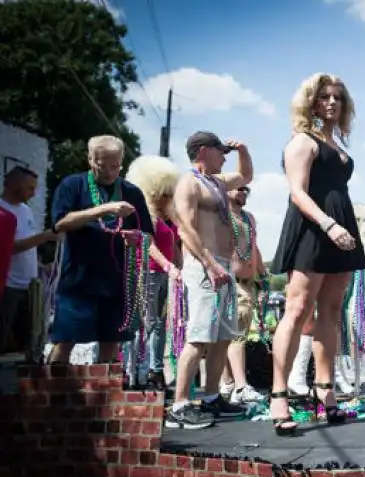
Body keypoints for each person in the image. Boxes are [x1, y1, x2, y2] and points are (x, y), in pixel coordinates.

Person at [270, 73, 365, 436]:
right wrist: (329, 225)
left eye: (337, 98)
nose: (331, 103)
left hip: (341, 227)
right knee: (296, 310)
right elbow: (298, 192)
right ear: (311, 102)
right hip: (315, 228)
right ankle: (278, 394)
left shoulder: (336, 142)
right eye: (324, 97)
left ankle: (325, 392)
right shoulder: (302, 141)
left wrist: (342, 226)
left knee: (331, 311)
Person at [166, 131, 253, 430]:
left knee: (223, 337)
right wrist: (209, 263)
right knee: (199, 336)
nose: (224, 156)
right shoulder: (188, 183)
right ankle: (179, 404)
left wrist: (242, 148)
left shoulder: (217, 182)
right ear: (203, 151)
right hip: (203, 266)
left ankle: (212, 396)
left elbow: (245, 175)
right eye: (220, 151)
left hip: (223, 266)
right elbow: (185, 230)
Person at [48, 136, 154, 365]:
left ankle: (105, 395)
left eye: (114, 166)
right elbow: (60, 224)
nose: (108, 172)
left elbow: (147, 235)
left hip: (116, 282)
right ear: (90, 159)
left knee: (111, 342)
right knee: (65, 340)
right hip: (78, 279)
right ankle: (52, 392)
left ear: (121, 162)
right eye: (101, 165)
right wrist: (102, 209)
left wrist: (136, 239)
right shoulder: (73, 185)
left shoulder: (131, 192)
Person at [122, 155, 182, 389]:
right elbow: (148, 245)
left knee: (159, 325)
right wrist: (168, 266)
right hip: (145, 273)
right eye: (164, 191)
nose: (167, 196)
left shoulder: (168, 219)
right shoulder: (143, 215)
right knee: (144, 324)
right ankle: (135, 370)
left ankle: (155, 370)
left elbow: (177, 245)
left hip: (165, 275)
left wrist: (179, 270)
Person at [0, 167, 58, 354]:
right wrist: (47, 235)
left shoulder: (25, 210)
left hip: (29, 287)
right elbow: (11, 247)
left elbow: (27, 246)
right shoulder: (2, 212)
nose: (33, 193)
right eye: (30, 188)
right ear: (15, 185)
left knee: (29, 342)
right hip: (8, 286)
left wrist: (42, 266)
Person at [219, 185, 267, 405]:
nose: (242, 192)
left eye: (245, 189)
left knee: (234, 335)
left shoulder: (249, 218)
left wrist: (263, 275)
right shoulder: (221, 216)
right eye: (237, 188)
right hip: (230, 283)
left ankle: (228, 383)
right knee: (235, 333)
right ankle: (240, 386)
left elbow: (254, 247)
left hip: (248, 284)